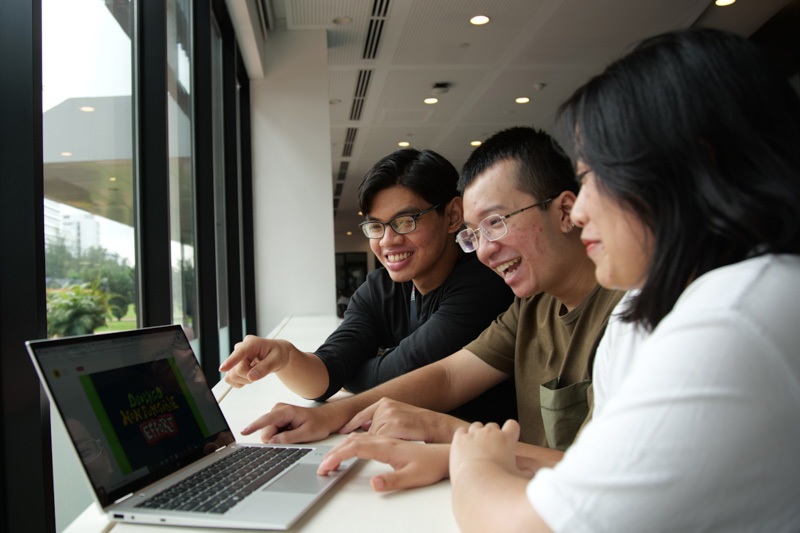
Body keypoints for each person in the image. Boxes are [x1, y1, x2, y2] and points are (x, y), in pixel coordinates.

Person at [446, 28, 800, 532]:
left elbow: (528, 527)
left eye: (594, 177)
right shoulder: (642, 311)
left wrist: (475, 464)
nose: (581, 208)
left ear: (692, 165)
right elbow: (592, 473)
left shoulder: (735, 314)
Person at [236, 127, 623, 460]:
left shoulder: (631, 314)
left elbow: (599, 477)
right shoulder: (531, 305)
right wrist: (326, 411)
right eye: (477, 234)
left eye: (496, 223)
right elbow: (449, 376)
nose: (486, 251)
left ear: (566, 211)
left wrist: (444, 432)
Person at [219, 148, 516, 423]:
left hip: (487, 455)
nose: (388, 240)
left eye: (406, 221)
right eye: (376, 226)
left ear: (452, 216)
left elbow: (396, 376)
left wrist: (354, 371)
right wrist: (284, 356)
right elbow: (327, 374)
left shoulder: (484, 281)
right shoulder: (381, 287)